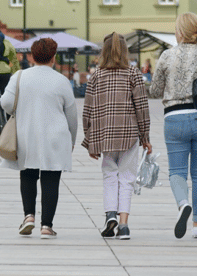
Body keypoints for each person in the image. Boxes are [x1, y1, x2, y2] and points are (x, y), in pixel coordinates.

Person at [150, 13, 197, 240]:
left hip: (174, 118)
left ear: (180, 32)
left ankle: (183, 203)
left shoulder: (167, 55)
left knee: (177, 172)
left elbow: (154, 91)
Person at [0, 37, 78, 239]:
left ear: (32, 56)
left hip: (26, 132)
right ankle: (47, 226)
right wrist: (71, 140)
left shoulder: (19, 76)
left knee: (27, 174)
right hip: (55, 135)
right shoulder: (61, 80)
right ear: (53, 57)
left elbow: (6, 102)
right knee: (51, 179)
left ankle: (28, 216)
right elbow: (71, 115)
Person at [82, 33, 151, 240]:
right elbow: (142, 107)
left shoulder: (96, 75)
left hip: (105, 134)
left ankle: (110, 214)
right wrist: (145, 136)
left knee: (109, 175)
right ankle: (123, 225)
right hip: (129, 133)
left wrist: (89, 140)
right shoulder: (133, 73)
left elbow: (88, 110)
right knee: (127, 179)